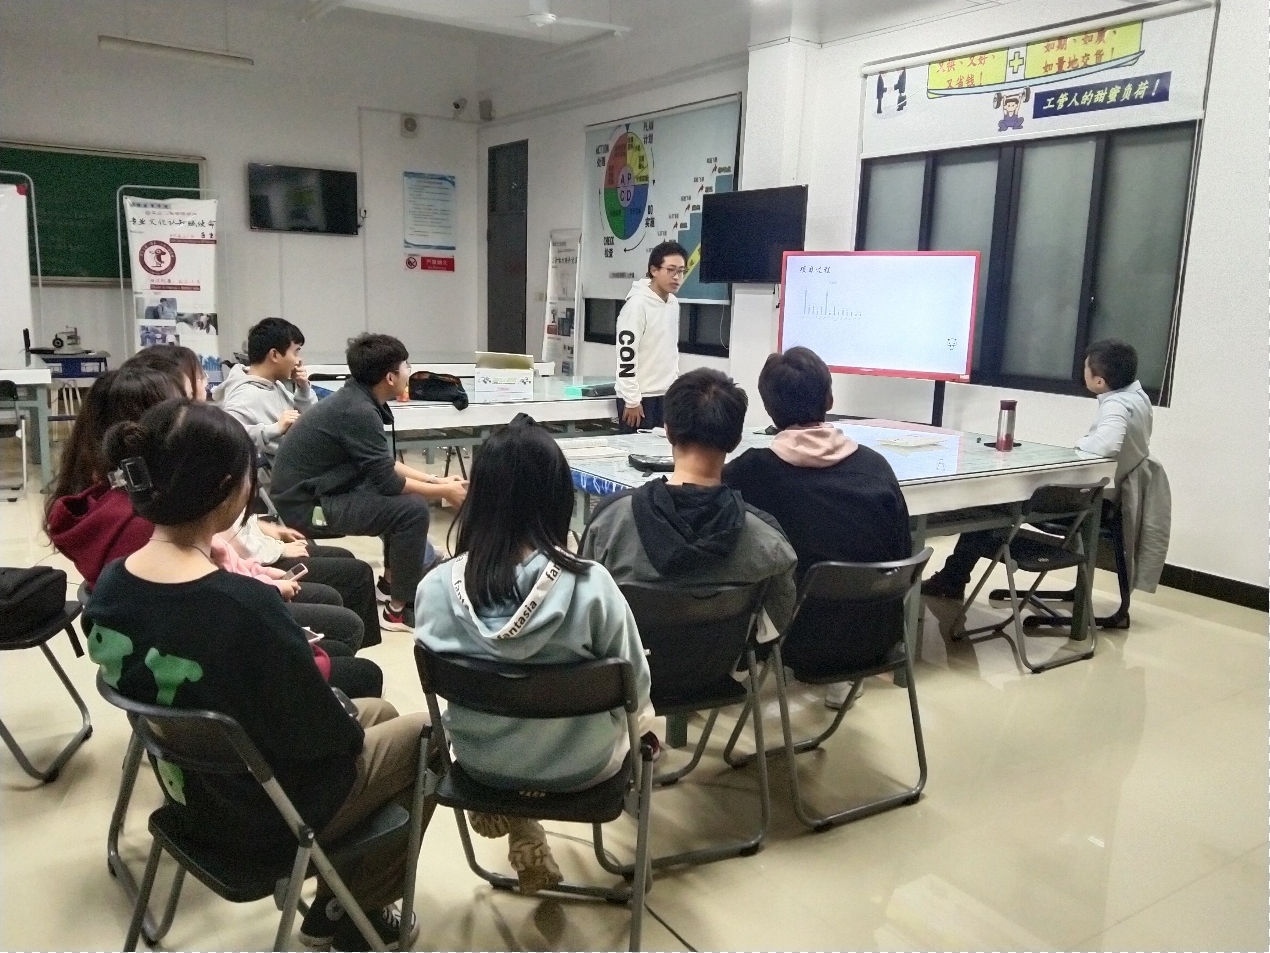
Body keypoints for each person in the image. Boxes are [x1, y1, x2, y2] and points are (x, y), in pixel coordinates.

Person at [86, 400, 429, 950]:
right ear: (228, 489)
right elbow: (330, 740)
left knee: (382, 712)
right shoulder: (242, 606)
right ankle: (354, 921)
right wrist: (338, 709)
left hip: (190, 793)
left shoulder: (109, 586)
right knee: (427, 738)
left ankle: (339, 901)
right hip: (262, 814)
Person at [415, 419, 652, 897]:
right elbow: (637, 689)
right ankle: (526, 808)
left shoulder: (435, 587)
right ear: (557, 497)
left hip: (480, 766)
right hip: (584, 770)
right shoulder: (592, 585)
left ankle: (513, 807)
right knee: (644, 728)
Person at [45, 369, 374, 666]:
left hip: (201, 637)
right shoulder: (156, 520)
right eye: (178, 400)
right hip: (216, 653)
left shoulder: (126, 503)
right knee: (350, 639)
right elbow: (213, 605)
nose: (193, 400)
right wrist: (265, 582)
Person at [129, 344, 384, 645]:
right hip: (265, 545)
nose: (207, 384)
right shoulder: (200, 449)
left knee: (347, 568)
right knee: (350, 589)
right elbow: (230, 554)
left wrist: (264, 532)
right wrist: (271, 560)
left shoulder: (167, 498)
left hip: (252, 554)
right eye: (198, 377)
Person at [722, 347, 912, 708]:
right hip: (877, 634)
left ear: (769, 409)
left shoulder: (751, 472)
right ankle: (843, 682)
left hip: (791, 637)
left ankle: (723, 673)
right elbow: (901, 551)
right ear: (829, 399)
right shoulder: (876, 467)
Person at [922, 338, 1153, 604]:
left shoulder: (1116, 404)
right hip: (1107, 499)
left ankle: (953, 578)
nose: (1083, 372)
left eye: (1086, 368)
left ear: (1099, 381)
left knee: (988, 504)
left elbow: (1107, 445)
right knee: (993, 507)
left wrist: (1080, 445)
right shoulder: (1138, 397)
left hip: (1089, 502)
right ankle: (953, 577)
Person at [581, 368, 798, 645]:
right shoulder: (769, 540)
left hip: (627, 669)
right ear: (735, 440)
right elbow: (773, 627)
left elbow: (584, 614)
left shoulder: (610, 523)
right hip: (721, 670)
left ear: (668, 430)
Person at [270, 334, 467, 632]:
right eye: (406, 366)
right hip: (305, 511)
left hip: (315, 495)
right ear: (390, 377)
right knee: (411, 510)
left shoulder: (355, 399)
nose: (409, 371)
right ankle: (399, 610)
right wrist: (444, 492)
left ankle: (390, 585)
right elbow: (389, 482)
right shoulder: (358, 411)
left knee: (401, 504)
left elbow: (381, 464)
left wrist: (435, 480)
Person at [214, 317, 316, 461]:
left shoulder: (275, 385)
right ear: (274, 355)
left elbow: (310, 422)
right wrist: (274, 429)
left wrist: (303, 389)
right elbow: (227, 438)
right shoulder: (245, 395)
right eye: (295, 352)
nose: (298, 360)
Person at [615, 241, 685, 433]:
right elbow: (626, 354)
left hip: (666, 395)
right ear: (654, 270)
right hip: (639, 398)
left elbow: (670, 349)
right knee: (634, 450)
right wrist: (632, 399)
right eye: (670, 270)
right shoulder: (636, 305)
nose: (677, 277)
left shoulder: (673, 303)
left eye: (681, 271)